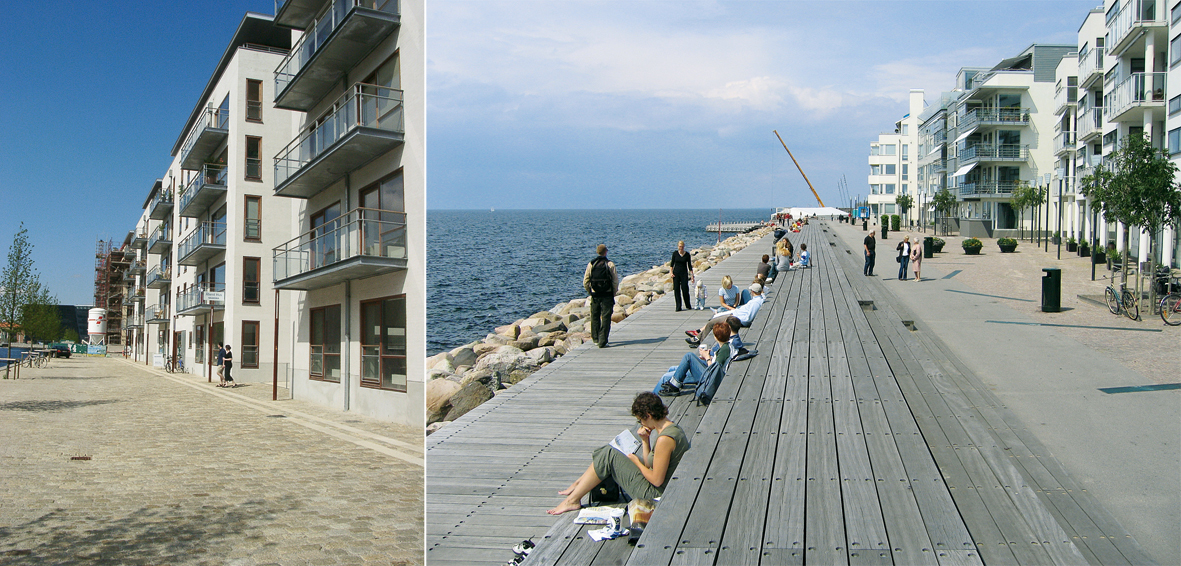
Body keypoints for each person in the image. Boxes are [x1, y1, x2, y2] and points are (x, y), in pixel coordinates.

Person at [547, 392, 690, 515]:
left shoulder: (665, 439)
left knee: (610, 454)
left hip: (656, 495)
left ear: (648, 415)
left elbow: (656, 480)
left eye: (640, 420)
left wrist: (635, 462)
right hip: (660, 487)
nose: (641, 424)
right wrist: (645, 441)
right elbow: (650, 464)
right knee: (604, 451)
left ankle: (572, 500)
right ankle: (578, 484)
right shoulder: (670, 429)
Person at [655, 323, 734, 395]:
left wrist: (707, 358)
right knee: (671, 369)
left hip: (709, 379)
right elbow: (717, 364)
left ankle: (671, 388)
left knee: (667, 376)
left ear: (716, 337)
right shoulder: (726, 346)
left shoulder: (724, 350)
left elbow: (714, 372)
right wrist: (710, 356)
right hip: (709, 374)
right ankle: (675, 382)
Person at [687, 284, 765, 346]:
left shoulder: (755, 303)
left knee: (712, 323)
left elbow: (748, 318)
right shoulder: (758, 300)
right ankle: (698, 338)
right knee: (714, 318)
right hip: (736, 313)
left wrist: (735, 316)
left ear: (753, 291)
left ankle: (701, 342)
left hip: (736, 318)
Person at [583, 244, 619, 348]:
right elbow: (615, 281)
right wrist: (613, 292)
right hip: (607, 294)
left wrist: (590, 291)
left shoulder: (591, 264)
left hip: (595, 294)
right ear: (605, 252)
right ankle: (603, 341)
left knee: (595, 316)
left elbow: (586, 281)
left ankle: (595, 338)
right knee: (606, 317)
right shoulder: (610, 264)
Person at [670, 240, 694, 312]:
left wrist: (692, 276)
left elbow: (689, 266)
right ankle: (678, 306)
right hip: (676, 273)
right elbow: (672, 264)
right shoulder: (675, 254)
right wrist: (671, 273)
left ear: (684, 247)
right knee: (677, 290)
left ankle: (688, 304)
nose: (681, 248)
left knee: (685, 289)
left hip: (684, 273)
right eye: (680, 246)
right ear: (678, 247)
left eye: (682, 247)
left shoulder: (687, 255)